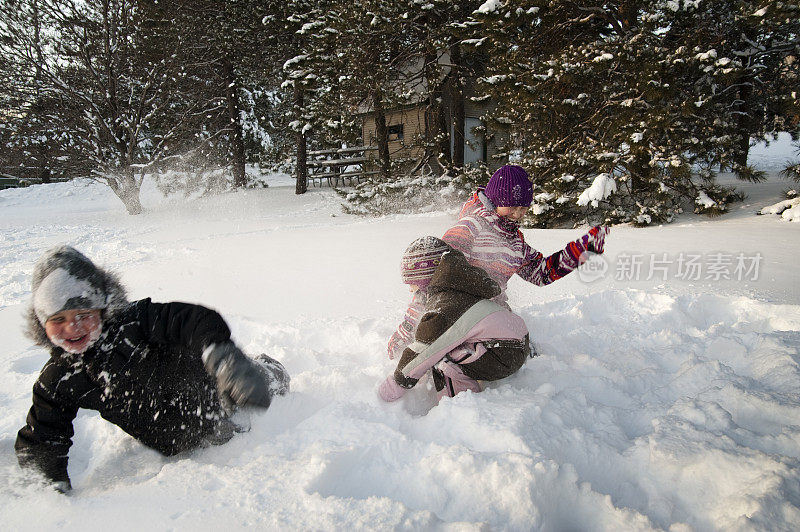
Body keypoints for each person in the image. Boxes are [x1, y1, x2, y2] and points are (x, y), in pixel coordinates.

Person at [15, 245, 290, 492]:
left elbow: (190, 320)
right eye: (58, 319)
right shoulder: (59, 379)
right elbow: (44, 436)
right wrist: (47, 491)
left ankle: (265, 367)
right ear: (42, 324)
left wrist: (222, 355)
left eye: (83, 315)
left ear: (102, 308)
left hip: (218, 394)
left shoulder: (136, 322)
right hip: (171, 441)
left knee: (260, 380)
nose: (72, 327)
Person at [386, 164, 609, 361]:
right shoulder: (470, 227)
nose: (518, 214)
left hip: (491, 310)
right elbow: (432, 281)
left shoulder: (516, 242)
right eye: (512, 206)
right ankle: (452, 363)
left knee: (517, 340)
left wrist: (582, 250)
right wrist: (408, 329)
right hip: (455, 310)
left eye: (523, 208)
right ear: (497, 200)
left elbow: (542, 273)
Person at [378, 237, 530, 402]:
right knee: (447, 344)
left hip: (503, 353)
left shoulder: (446, 303)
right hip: (514, 343)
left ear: (425, 278)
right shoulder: (459, 285)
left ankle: (459, 404)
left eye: (412, 282)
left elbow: (424, 350)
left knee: (440, 358)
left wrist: (394, 385)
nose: (410, 289)